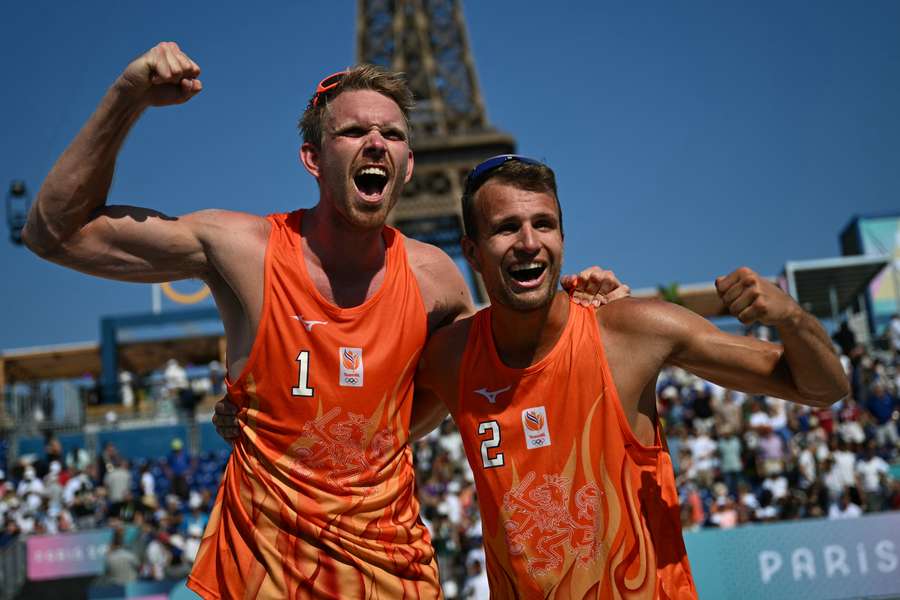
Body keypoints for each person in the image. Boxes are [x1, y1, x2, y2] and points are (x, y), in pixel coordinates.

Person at [23, 42, 623, 598]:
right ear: (312, 157)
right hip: (259, 578)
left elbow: (484, 373)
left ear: (408, 165)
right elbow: (54, 233)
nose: (375, 142)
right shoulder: (244, 249)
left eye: (391, 133)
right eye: (353, 130)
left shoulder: (434, 275)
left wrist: (588, 311)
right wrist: (128, 96)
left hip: (394, 578)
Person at [404, 156, 847, 597]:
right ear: (471, 253)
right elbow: (376, 433)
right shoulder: (452, 357)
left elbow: (823, 387)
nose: (528, 242)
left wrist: (790, 316)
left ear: (562, 236)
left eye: (544, 224)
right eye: (506, 228)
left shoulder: (630, 332)